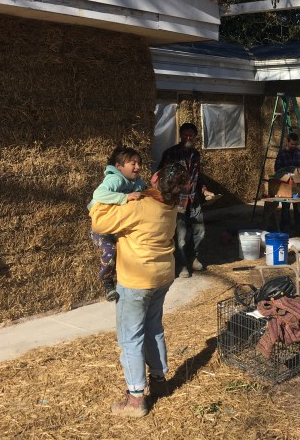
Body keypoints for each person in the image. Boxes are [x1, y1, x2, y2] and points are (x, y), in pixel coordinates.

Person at [90, 162, 189, 418]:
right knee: (154, 327)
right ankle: (158, 379)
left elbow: (100, 223)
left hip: (136, 280)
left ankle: (135, 398)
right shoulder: (171, 205)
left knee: (130, 337)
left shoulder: (139, 205)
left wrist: (107, 196)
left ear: (155, 177)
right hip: (162, 276)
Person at [87, 146, 146, 302]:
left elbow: (146, 193)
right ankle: (107, 281)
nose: (138, 167)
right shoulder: (116, 179)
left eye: (139, 163)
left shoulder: (138, 181)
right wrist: (125, 197)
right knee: (111, 251)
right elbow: (99, 194)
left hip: (119, 225)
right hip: (102, 228)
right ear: (119, 166)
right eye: (133, 163)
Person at [157, 123, 214, 277]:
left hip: (194, 199)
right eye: (185, 134)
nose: (188, 137)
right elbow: (162, 177)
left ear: (195, 137)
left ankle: (193, 257)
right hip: (178, 200)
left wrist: (204, 190)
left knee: (200, 232)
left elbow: (198, 177)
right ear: (180, 135)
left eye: (191, 135)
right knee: (180, 237)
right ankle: (182, 265)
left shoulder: (196, 154)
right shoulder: (170, 154)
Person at [273, 132, 300, 234]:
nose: (294, 146)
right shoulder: (282, 154)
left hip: (298, 183)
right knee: (285, 206)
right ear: (287, 142)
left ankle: (298, 226)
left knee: (298, 206)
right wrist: (287, 173)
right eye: (292, 144)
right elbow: (277, 168)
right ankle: (285, 227)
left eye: (295, 144)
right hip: (286, 184)